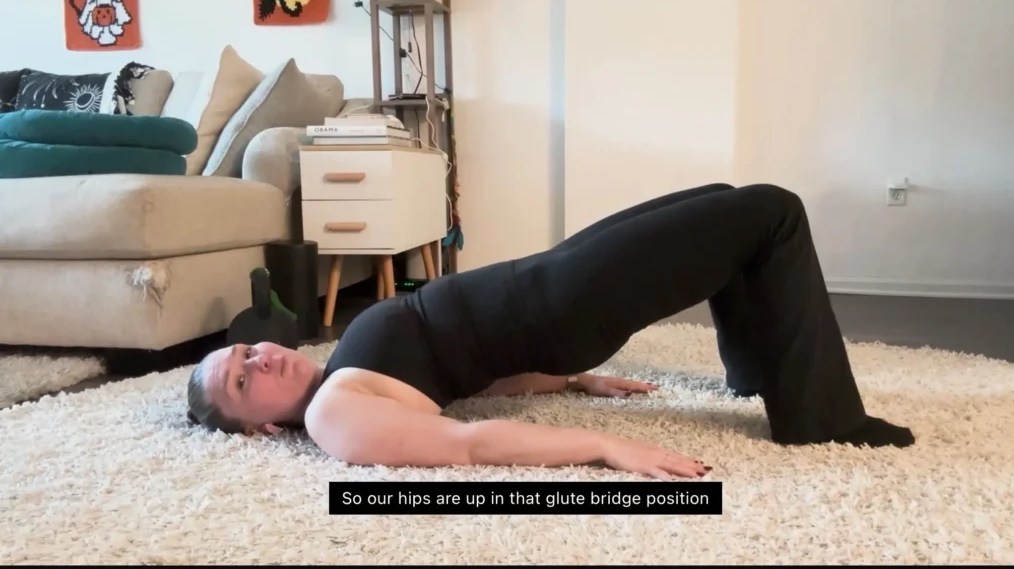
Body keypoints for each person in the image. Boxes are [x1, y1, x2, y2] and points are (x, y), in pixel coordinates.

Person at [186, 183, 915, 481]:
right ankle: (819, 419)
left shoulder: (346, 366)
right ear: (258, 432)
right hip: (562, 302)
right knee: (771, 212)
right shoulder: (332, 416)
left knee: (725, 203)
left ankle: (762, 374)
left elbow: (465, 375)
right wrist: (602, 447)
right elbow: (470, 446)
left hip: (550, 281)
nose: (262, 358)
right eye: (243, 380)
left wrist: (574, 382)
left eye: (246, 351)